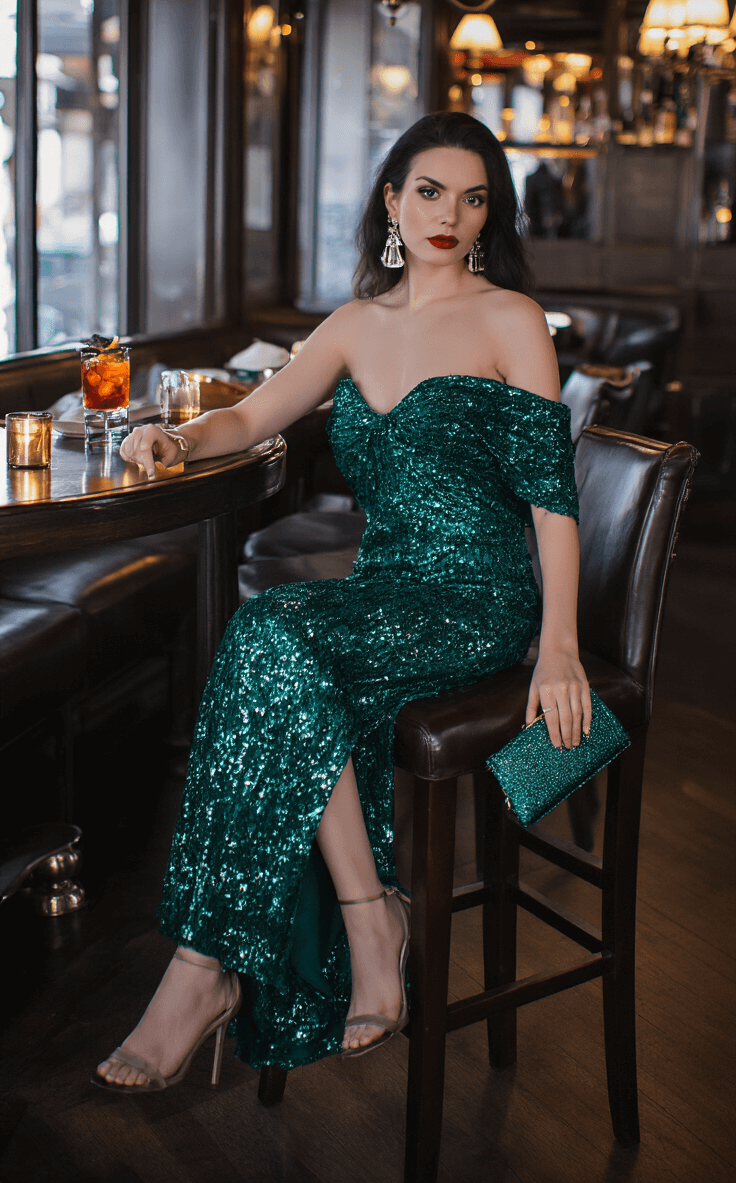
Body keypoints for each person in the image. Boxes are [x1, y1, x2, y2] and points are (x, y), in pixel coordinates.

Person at [94, 110, 591, 1092]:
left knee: (268, 633)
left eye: (474, 196)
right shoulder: (358, 324)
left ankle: (210, 971)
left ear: (492, 216)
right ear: (390, 201)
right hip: (384, 592)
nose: (450, 214)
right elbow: (251, 413)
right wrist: (175, 437)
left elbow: (551, 500)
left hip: (478, 601)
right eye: (430, 191)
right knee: (273, 639)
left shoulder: (510, 319)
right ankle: (357, 919)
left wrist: (561, 645)